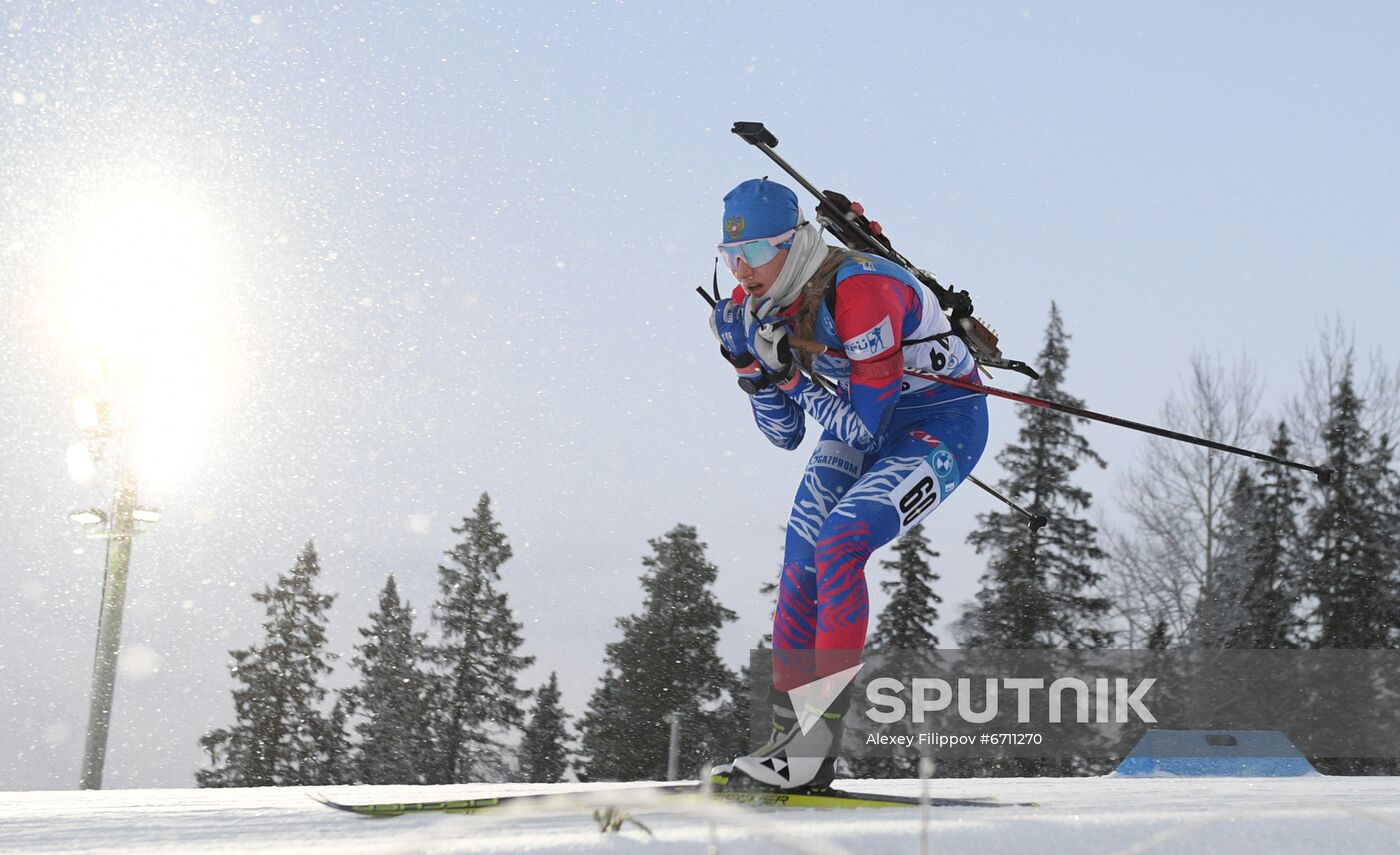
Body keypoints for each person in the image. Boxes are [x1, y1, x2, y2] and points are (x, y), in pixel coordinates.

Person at [707, 178, 989, 790]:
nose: (742, 270)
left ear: (794, 243)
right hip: (864, 417)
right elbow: (784, 433)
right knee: (801, 557)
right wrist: (750, 368)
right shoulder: (758, 299)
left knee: (841, 542)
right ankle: (785, 741)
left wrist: (787, 377)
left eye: (755, 251)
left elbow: (864, 428)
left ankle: (815, 748)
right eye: (730, 255)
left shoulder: (862, 289)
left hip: (940, 424)